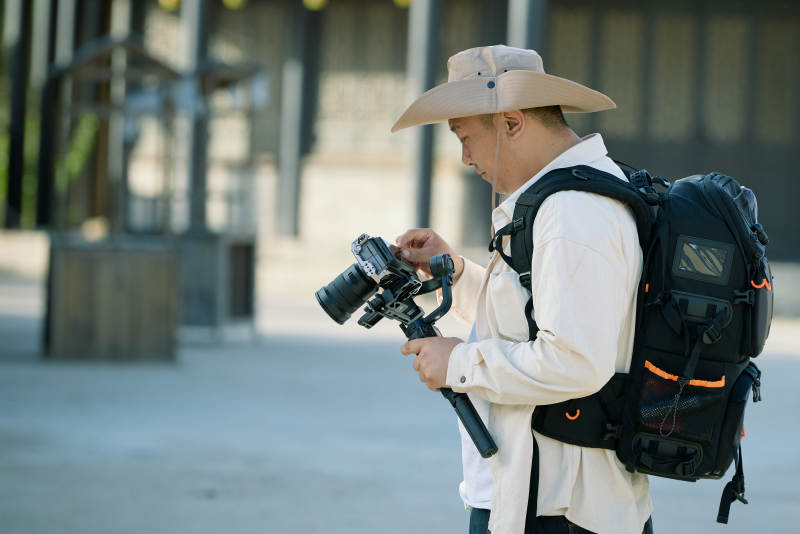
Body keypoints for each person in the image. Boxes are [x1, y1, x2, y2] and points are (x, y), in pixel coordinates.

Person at [392, 45, 653, 534]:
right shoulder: (564, 198)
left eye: (465, 137)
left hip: (558, 506)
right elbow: (533, 317)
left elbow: (576, 359)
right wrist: (454, 272)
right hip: (543, 493)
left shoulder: (572, 211)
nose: (465, 158)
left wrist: (459, 364)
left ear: (511, 123)